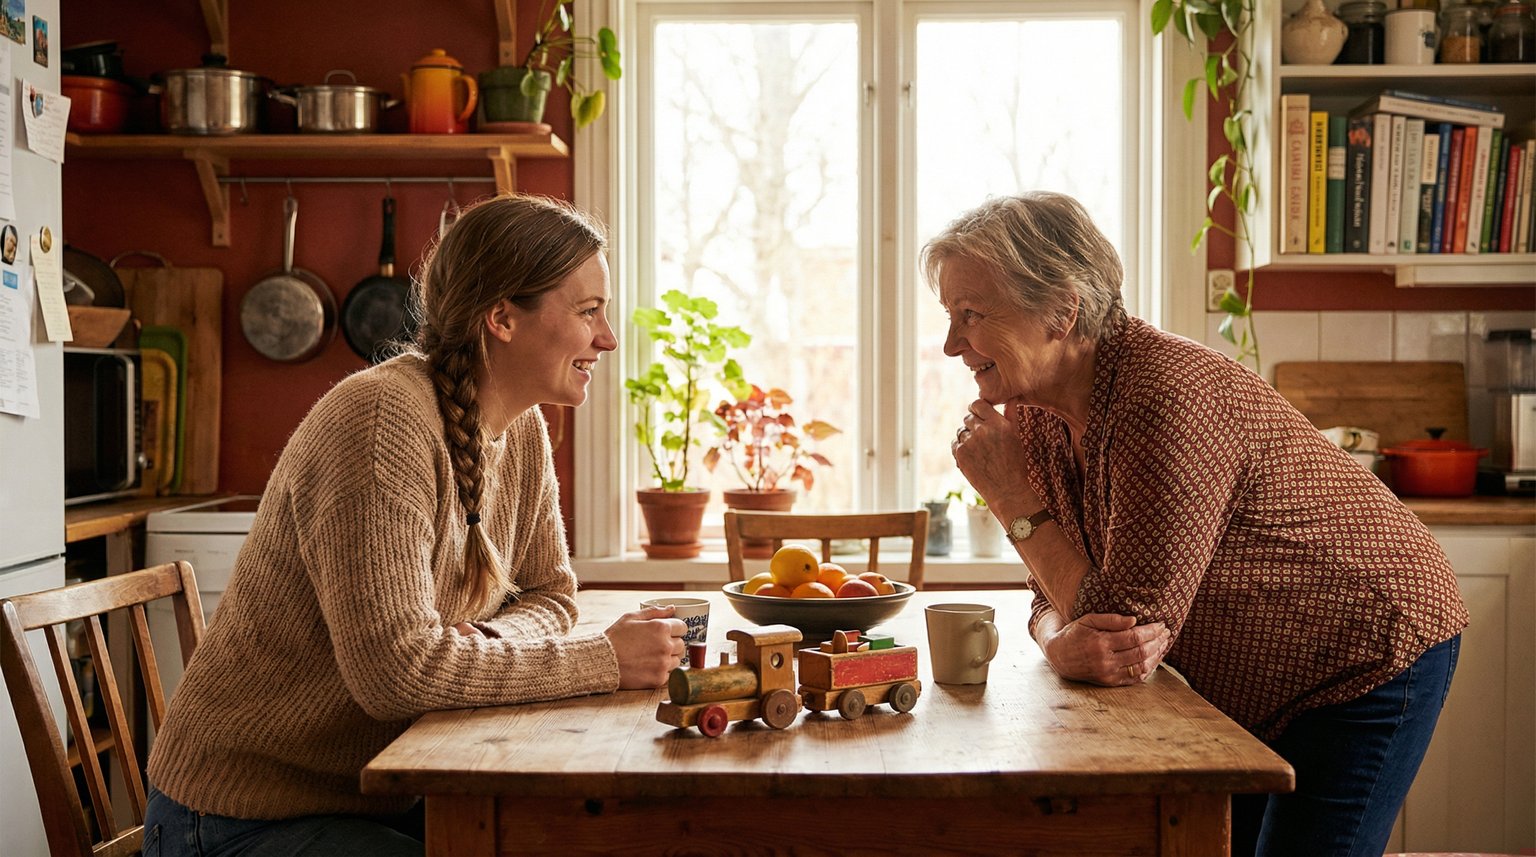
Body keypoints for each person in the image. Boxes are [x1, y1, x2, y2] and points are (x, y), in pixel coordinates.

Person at [927, 191, 1467, 857]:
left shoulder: (1162, 396)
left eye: (970, 315)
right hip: (1255, 674)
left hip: (1365, 650)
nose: (952, 343)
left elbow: (1125, 627)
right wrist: (1054, 637)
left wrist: (1010, 496)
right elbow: (1054, 586)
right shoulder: (1035, 411)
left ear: (1061, 310)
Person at [144, 194, 687, 856]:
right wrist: (602, 660)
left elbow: (553, 595)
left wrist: (486, 639)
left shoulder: (522, 428)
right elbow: (396, 675)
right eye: (588, 312)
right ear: (502, 318)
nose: (608, 337)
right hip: (241, 816)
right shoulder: (380, 422)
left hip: (377, 793)